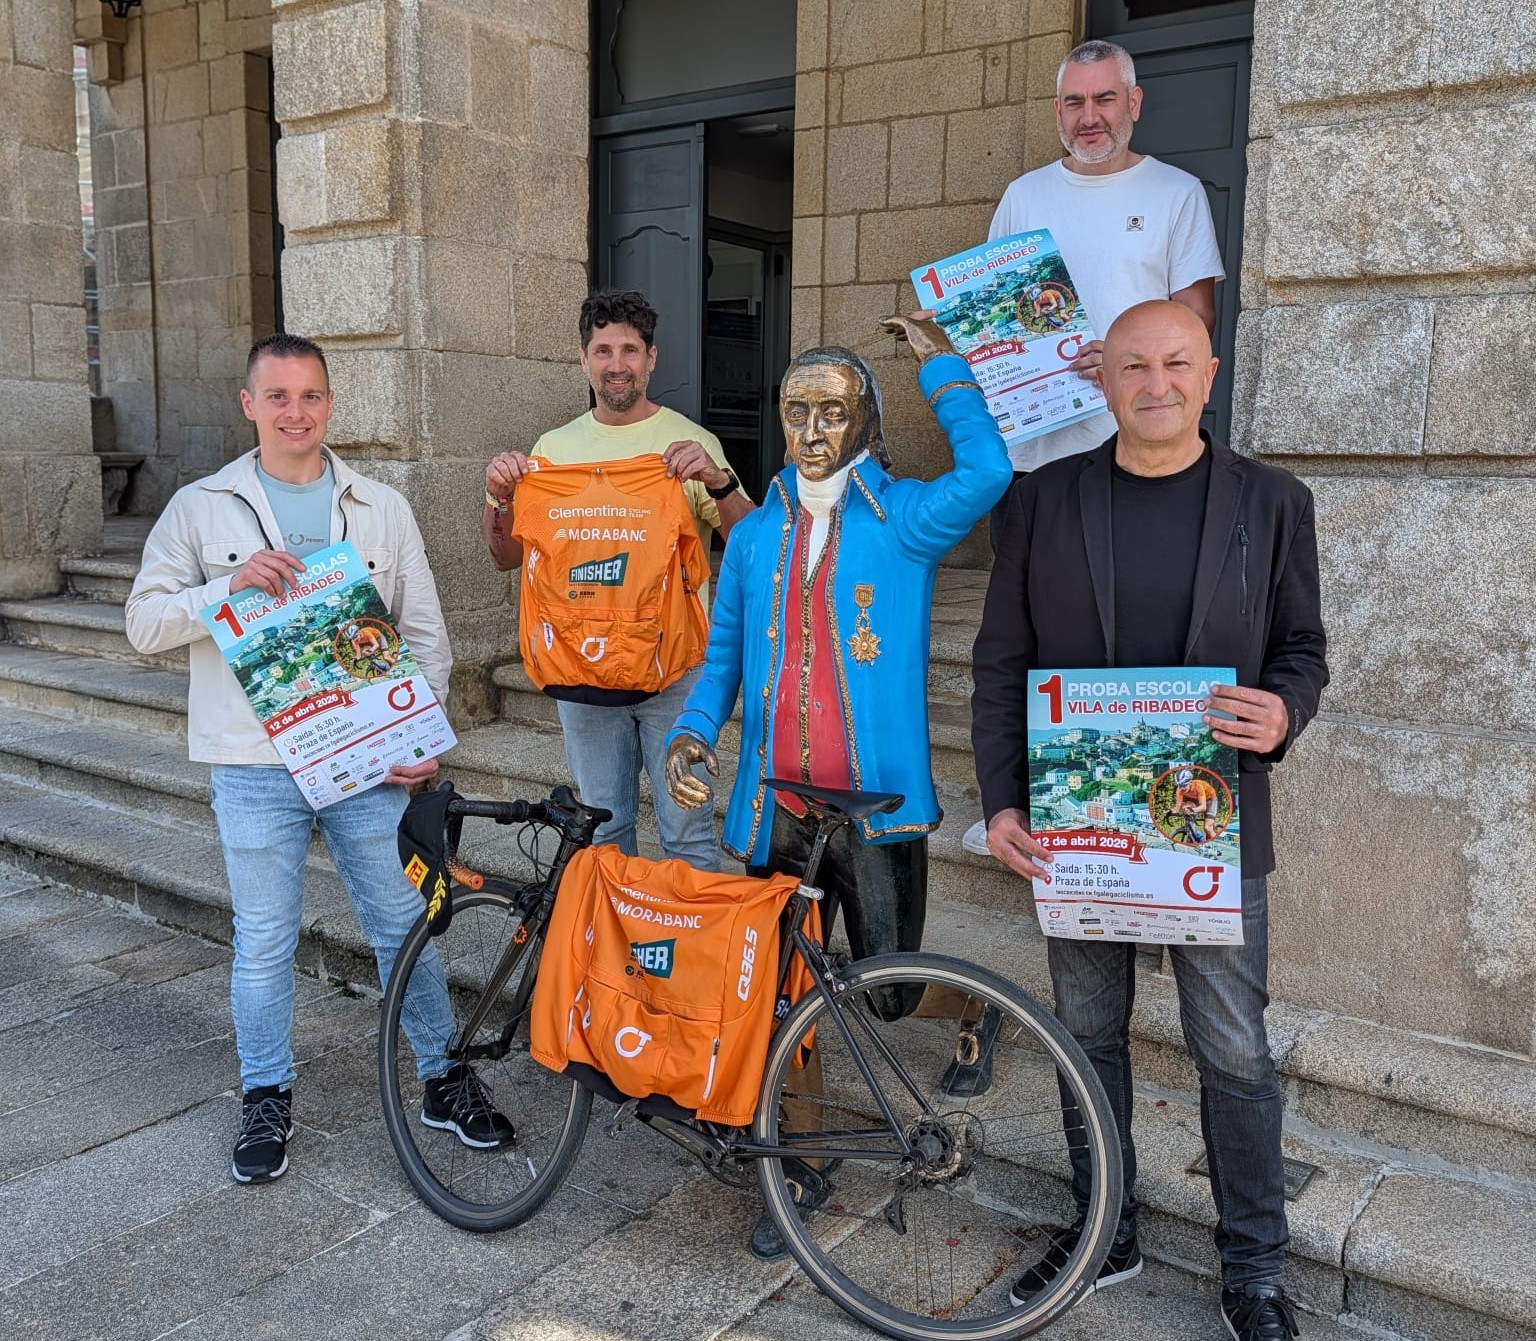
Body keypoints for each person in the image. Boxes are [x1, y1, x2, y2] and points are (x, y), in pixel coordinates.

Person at [970, 300, 1328, 1341]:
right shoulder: (1042, 502)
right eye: (1133, 364)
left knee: (1232, 1049)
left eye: (1176, 361)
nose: (1155, 381)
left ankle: (1255, 1266)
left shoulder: (1274, 501)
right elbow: (1003, 662)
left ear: (1209, 373)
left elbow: (1303, 645)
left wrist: (1284, 708)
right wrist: (1001, 798)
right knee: (1086, 1035)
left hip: (1213, 827)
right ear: (1101, 377)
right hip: (1079, 830)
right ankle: (1105, 1230)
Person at [125, 333, 513, 1185]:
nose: (295, 413)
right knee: (263, 941)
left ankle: (442, 1078)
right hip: (253, 764)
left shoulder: (379, 505)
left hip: (364, 759)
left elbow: (423, 634)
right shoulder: (202, 506)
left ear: (329, 404)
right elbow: (143, 623)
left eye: (310, 396)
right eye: (278, 397)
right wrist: (224, 589)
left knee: (400, 925)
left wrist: (418, 740)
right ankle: (266, 1092)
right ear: (249, 404)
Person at [663, 318, 1012, 1259]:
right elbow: (723, 657)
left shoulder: (903, 517)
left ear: (865, 422)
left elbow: (988, 473)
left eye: (833, 409)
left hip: (877, 805)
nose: (812, 427)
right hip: (773, 806)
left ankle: (969, 1007)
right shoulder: (754, 535)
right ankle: (802, 1162)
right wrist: (695, 732)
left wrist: (942, 365)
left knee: (884, 991)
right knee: (784, 993)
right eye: (796, 409)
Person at [962, 37, 1227, 855]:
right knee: (1029, 635)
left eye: (1104, 100)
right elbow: (993, 312)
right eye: (1074, 103)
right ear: (1057, 112)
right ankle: (1023, 804)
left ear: (1133, 103)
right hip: (1035, 455)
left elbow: (1198, 318)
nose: (1089, 118)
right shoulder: (1023, 195)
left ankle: (1136, 819)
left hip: (1139, 456)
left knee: (1128, 630)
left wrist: (1117, 349)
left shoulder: (1177, 194)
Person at [482, 290, 753, 869]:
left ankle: (692, 957)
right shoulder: (552, 452)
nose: (616, 364)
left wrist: (717, 478)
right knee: (603, 833)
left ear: (652, 358)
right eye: (603, 350)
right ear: (584, 361)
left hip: (676, 674)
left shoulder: (693, 442)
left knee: (687, 834)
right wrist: (499, 499)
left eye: (629, 349)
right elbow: (508, 557)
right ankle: (615, 955)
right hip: (582, 669)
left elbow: (754, 549)